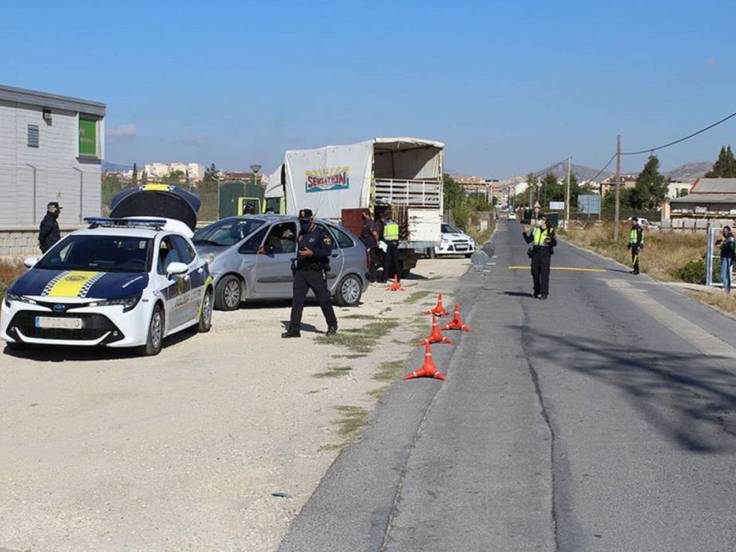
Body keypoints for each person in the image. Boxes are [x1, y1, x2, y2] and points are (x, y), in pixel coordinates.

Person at [282, 209, 338, 338]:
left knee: (324, 299)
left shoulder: (321, 234)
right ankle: (294, 329)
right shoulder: (301, 233)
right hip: (301, 271)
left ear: (311, 220)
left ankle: (332, 325)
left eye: (306, 222)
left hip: (316, 271)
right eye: (301, 222)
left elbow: (328, 252)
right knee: (297, 301)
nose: (303, 225)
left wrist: (312, 253)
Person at [523, 217, 556, 300]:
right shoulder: (535, 230)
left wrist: (550, 241)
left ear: (545, 221)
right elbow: (528, 240)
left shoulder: (550, 230)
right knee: (535, 272)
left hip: (545, 253)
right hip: (536, 253)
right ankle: (536, 290)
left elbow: (554, 243)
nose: (539, 221)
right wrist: (525, 232)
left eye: (541, 219)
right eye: (539, 219)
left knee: (544, 274)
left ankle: (544, 293)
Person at [360, 210, 379, 282]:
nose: (362, 216)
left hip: (370, 245)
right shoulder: (366, 222)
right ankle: (369, 276)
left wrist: (377, 242)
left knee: (372, 262)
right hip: (366, 244)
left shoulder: (371, 223)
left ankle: (372, 278)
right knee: (368, 261)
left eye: (363, 214)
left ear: (366, 214)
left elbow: (374, 233)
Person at [715, 226, 735, 295]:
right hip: (724, 257)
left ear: (729, 231)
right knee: (726, 275)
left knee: (724, 275)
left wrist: (722, 244)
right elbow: (717, 243)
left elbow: (729, 248)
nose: (725, 232)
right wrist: (721, 243)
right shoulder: (725, 239)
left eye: (726, 231)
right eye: (724, 231)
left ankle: (727, 291)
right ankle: (727, 291)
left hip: (729, 258)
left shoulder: (731, 239)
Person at [382, 212, 400, 283]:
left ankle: (384, 279)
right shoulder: (396, 225)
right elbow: (398, 233)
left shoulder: (386, 225)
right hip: (395, 243)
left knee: (387, 262)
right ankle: (398, 278)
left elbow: (384, 235)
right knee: (396, 262)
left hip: (388, 244)